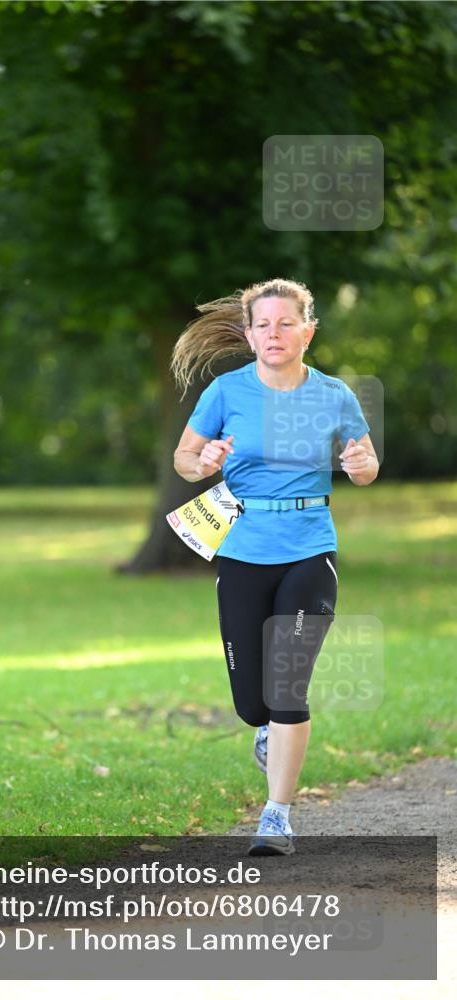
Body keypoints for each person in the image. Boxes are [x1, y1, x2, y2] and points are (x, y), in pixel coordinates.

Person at [171, 278, 379, 855]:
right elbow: (185, 459)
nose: (274, 333)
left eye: (286, 323)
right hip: (241, 549)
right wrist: (203, 459)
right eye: (263, 324)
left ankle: (277, 817)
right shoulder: (225, 391)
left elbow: (364, 466)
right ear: (248, 334)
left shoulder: (334, 394)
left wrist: (362, 462)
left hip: (311, 546)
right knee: (252, 702)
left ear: (307, 331)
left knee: (288, 687)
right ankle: (264, 729)